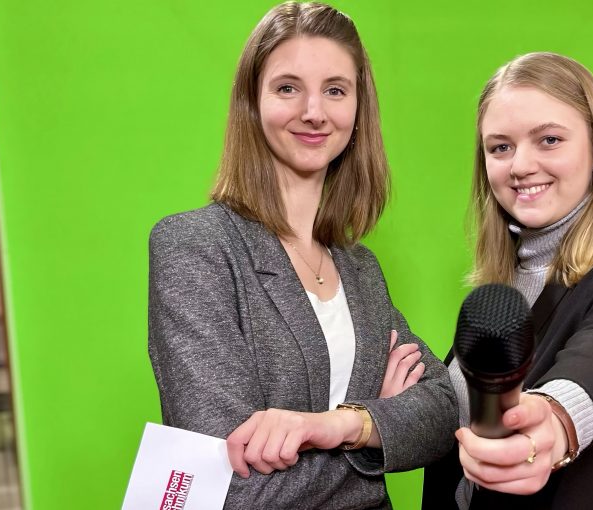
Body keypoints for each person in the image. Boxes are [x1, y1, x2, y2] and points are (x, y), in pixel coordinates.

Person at [147, 3, 457, 509]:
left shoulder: (360, 269)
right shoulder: (194, 248)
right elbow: (226, 483)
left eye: (335, 90)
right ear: (252, 101)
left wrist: (341, 424)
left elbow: (445, 411)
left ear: (359, 110)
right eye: (287, 87)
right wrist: (378, 427)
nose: (314, 111)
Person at [422, 52, 593, 509]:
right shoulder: (504, 300)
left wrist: (554, 420)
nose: (520, 165)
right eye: (500, 147)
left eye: (548, 139)